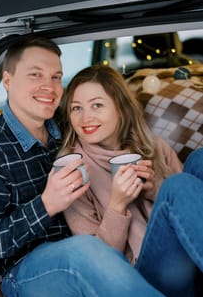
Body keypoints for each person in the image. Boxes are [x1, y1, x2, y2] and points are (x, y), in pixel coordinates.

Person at [0, 36, 165, 297]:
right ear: (7, 81)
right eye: (35, 75)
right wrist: (45, 205)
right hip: (25, 272)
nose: (48, 86)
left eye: (55, 77)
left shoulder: (68, 127)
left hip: (91, 251)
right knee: (84, 251)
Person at [59, 64, 203, 297]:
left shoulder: (152, 146)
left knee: (199, 159)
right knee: (178, 185)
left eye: (97, 105)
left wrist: (154, 189)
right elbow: (95, 264)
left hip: (189, 250)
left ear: (121, 108)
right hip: (141, 274)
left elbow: (189, 211)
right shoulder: (73, 171)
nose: (85, 118)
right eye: (76, 108)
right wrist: (117, 204)